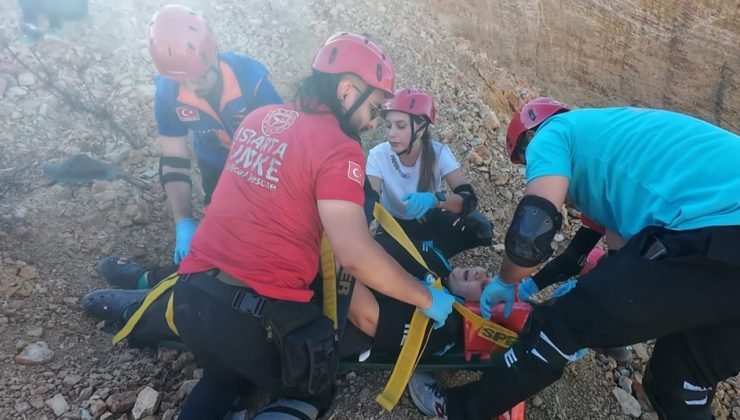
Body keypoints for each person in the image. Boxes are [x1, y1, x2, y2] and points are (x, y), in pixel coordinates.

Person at [84, 32, 456, 420]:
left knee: (222, 378)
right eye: (375, 110)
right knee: (310, 386)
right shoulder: (338, 147)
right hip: (254, 318)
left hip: (191, 299)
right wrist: (427, 299)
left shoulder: (260, 118)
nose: (372, 123)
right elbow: (356, 255)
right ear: (347, 90)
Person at [408, 97, 740, 420]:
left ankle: (457, 410)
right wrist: (538, 291)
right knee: (678, 386)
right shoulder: (616, 176)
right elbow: (594, 263)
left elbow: (532, 231)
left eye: (527, 164)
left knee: (557, 324)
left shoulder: (553, 133)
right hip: (723, 246)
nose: (531, 170)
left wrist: (506, 282)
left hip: (723, 230)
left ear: (529, 137)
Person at [366, 88, 492, 259]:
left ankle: (435, 257)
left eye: (400, 126)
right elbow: (370, 199)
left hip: (429, 219)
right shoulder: (378, 155)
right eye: (388, 126)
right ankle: (425, 258)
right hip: (393, 224)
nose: (391, 133)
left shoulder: (439, 153)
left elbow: (468, 199)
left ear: (421, 129)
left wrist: (435, 201)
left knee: (480, 227)